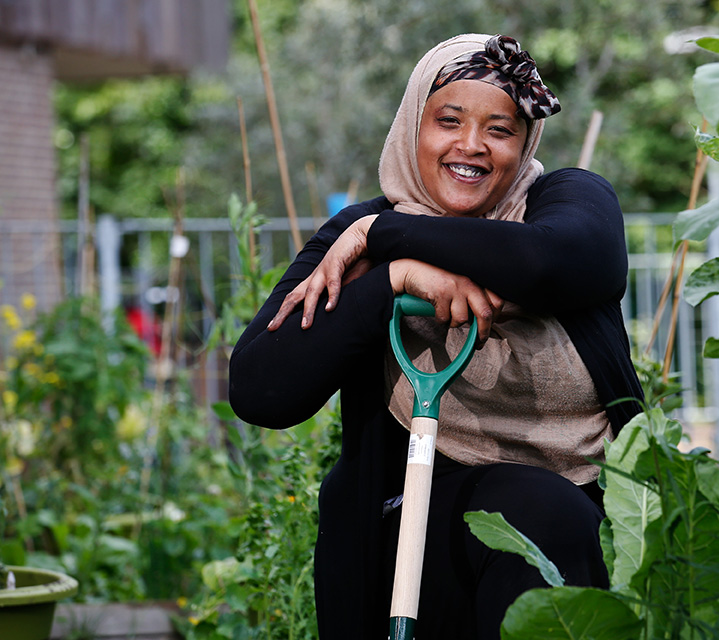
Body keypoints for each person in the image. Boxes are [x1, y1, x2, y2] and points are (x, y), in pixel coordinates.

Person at [228, 33, 645, 640]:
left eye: (499, 130)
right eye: (448, 121)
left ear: (524, 143)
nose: (471, 146)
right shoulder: (356, 237)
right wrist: (389, 281)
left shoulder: (561, 201)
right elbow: (261, 389)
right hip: (418, 530)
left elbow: (568, 262)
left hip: (598, 507)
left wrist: (390, 237)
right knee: (536, 510)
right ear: (413, 124)